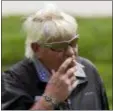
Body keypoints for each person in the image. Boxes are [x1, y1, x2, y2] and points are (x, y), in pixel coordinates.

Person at [2, 4, 109, 110]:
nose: (71, 52)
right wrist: (49, 99)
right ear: (36, 48)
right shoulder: (13, 82)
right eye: (59, 46)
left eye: (73, 43)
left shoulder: (88, 71)